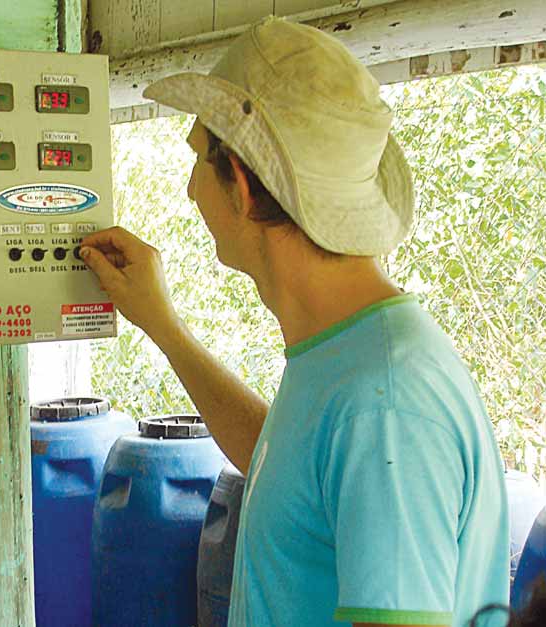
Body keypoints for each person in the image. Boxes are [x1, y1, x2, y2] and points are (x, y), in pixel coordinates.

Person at [80, 16, 509, 627]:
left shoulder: (384, 406)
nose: (189, 188)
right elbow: (289, 475)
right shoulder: (348, 353)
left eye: (201, 157)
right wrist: (164, 327)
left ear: (246, 188)